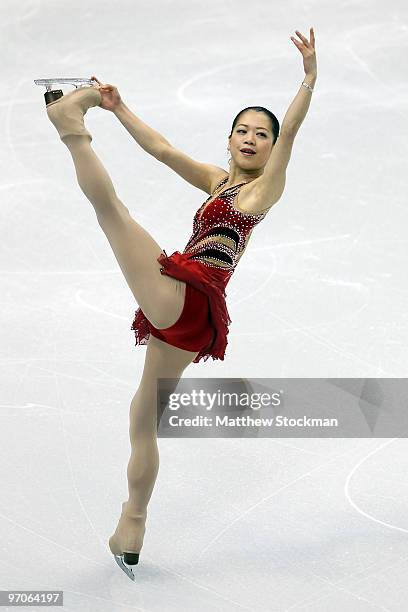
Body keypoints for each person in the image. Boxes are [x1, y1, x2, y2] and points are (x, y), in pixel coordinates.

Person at [43, 27, 317, 579]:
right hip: (186, 321)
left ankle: (70, 126)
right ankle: (133, 523)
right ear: (229, 139)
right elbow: (163, 150)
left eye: (262, 134)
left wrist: (308, 81)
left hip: (190, 296)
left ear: (271, 146)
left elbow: (290, 142)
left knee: (114, 216)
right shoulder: (218, 181)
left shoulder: (261, 191)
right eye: (242, 130)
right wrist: (120, 109)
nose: (251, 138)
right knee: (142, 418)